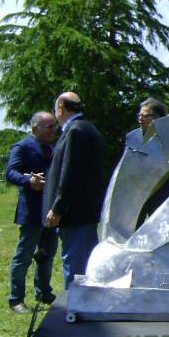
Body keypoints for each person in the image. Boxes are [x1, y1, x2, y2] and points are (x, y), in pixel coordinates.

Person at [44, 91, 106, 290]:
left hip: (76, 212)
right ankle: (87, 305)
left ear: (61, 107)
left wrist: (58, 207)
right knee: (87, 263)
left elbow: (71, 173)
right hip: (87, 211)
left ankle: (74, 307)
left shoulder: (75, 131)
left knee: (75, 264)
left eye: (55, 109)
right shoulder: (88, 128)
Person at [4, 111, 59, 313]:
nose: (54, 129)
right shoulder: (23, 147)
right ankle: (16, 299)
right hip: (32, 211)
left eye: (55, 125)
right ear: (36, 128)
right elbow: (10, 173)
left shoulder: (51, 147)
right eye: (49, 126)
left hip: (51, 211)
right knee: (24, 255)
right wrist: (28, 180)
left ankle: (44, 292)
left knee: (47, 254)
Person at [134, 97, 169, 227]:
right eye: (139, 115)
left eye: (145, 115)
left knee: (160, 231)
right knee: (132, 234)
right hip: (138, 197)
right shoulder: (134, 139)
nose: (140, 118)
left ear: (157, 118)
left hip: (163, 195)